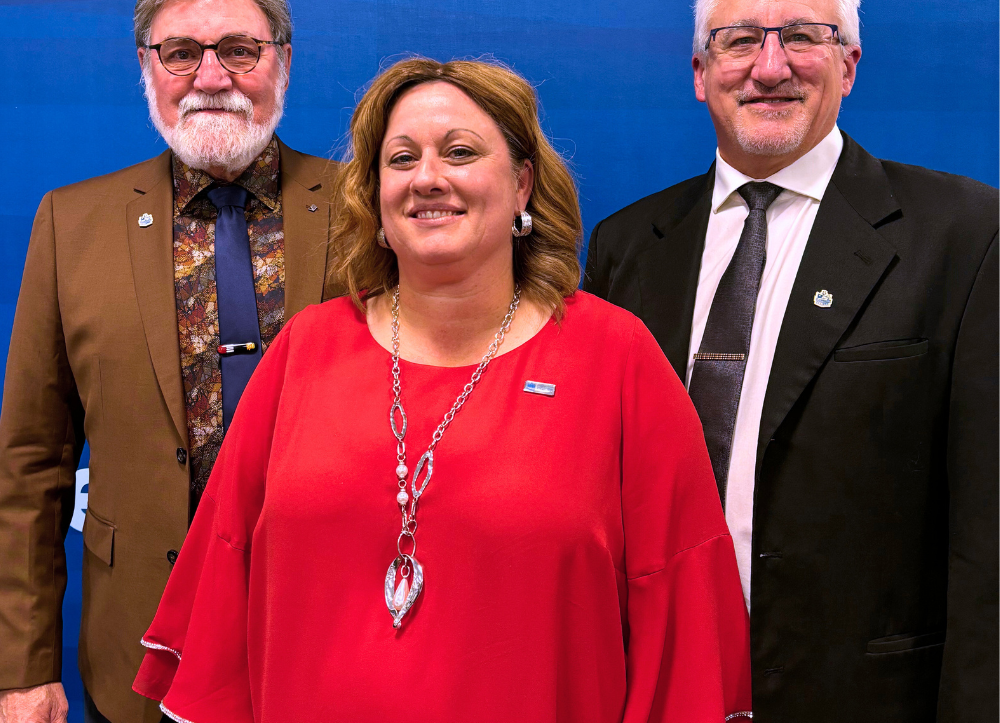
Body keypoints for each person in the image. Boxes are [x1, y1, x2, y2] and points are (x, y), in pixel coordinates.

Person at [130, 57, 753, 722]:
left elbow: (683, 628)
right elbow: (223, 597)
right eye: (401, 160)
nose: (428, 178)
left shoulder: (617, 358)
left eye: (460, 152)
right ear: (374, 198)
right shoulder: (304, 351)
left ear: (522, 185)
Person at [584, 0, 998, 721]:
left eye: (803, 36)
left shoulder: (967, 237)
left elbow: (991, 537)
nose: (769, 67)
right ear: (700, 72)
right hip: (660, 687)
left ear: (849, 65)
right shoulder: (626, 248)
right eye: (740, 40)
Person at [0, 0, 340, 722]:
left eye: (239, 50)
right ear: (146, 67)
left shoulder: (367, 207)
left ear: (282, 59)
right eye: (181, 52)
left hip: (331, 627)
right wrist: (24, 669)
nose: (211, 77)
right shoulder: (70, 223)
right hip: (141, 641)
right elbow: (30, 465)